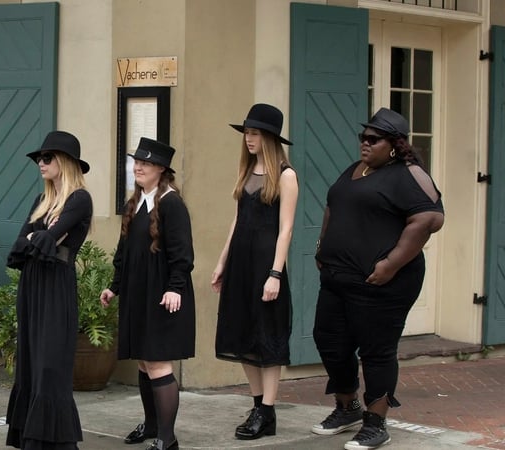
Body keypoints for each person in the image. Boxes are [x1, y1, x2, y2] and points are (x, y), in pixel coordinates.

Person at [311, 107, 444, 450]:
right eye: (363, 137)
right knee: (329, 341)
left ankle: (376, 423)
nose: (365, 143)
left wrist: (391, 264)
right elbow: (333, 206)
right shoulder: (355, 169)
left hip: (382, 283)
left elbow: (430, 219)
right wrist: (322, 246)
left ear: (396, 145)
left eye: (374, 139)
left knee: (376, 350)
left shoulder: (408, 174)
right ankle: (347, 408)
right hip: (337, 278)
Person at [100, 137, 195, 450]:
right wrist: (114, 286)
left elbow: (183, 253)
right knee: (144, 362)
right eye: (136, 162)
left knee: (157, 363)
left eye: (146, 163)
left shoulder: (172, 204)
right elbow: (124, 251)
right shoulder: (137, 202)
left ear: (161, 169)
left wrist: (175, 288)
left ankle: (167, 438)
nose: (138, 168)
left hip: (162, 295)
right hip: (138, 292)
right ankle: (152, 425)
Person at [211, 103, 299, 441]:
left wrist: (275, 274)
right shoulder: (246, 172)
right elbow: (238, 221)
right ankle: (258, 405)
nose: (249, 138)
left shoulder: (286, 175)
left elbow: (286, 229)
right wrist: (222, 261)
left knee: (268, 337)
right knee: (243, 335)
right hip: (240, 265)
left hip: (266, 265)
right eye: (247, 132)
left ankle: (268, 411)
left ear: (270, 137)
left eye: (255, 133)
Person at [4, 130, 93, 449]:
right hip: (32, 285)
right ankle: (31, 438)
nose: (40, 163)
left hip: (56, 286)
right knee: (30, 361)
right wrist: (36, 239)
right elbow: (19, 245)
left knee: (50, 363)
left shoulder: (79, 199)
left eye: (46, 157)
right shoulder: (41, 201)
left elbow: (43, 239)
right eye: (39, 159)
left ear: (65, 162)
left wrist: (37, 238)